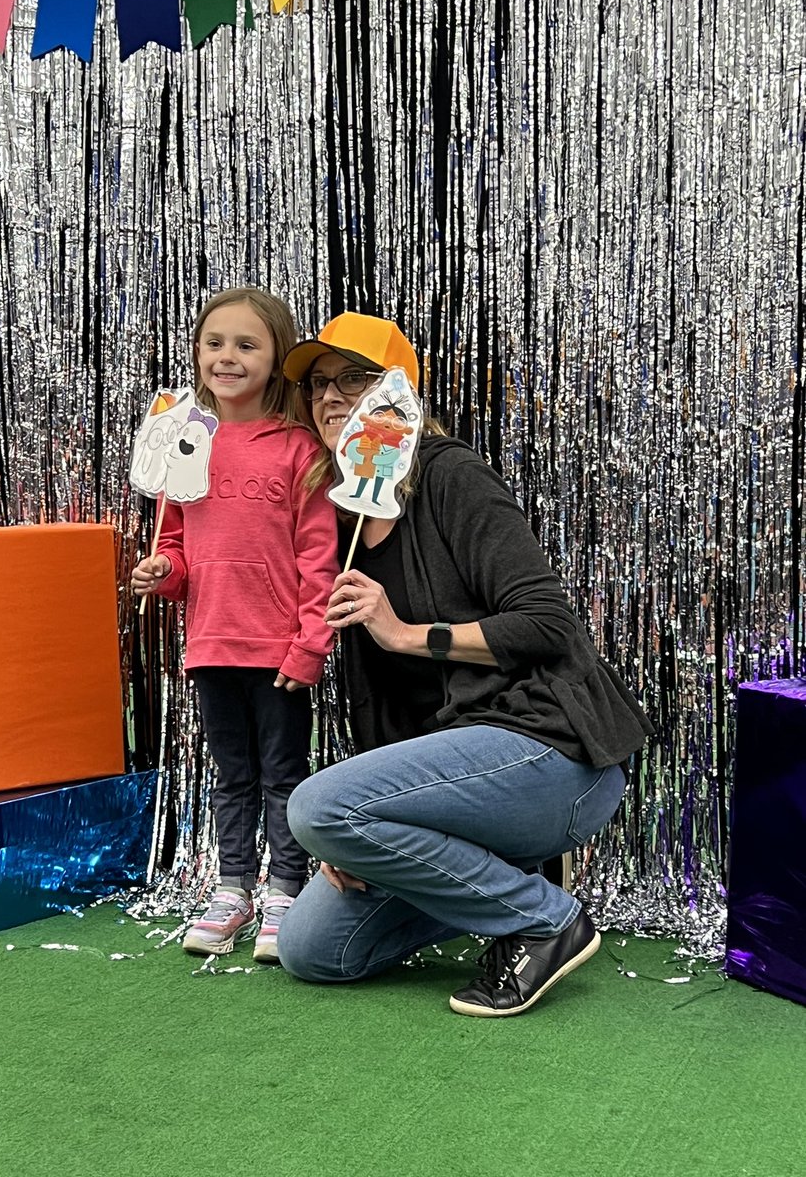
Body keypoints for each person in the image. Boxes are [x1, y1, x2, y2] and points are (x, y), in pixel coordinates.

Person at [276, 312, 654, 1016]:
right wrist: (359, 830)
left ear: (401, 395)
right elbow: (387, 710)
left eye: (353, 378)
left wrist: (410, 634)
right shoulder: (341, 520)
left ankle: (546, 920)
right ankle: (506, 878)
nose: (329, 396)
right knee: (314, 949)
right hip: (466, 786)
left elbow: (547, 624)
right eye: (318, 384)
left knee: (313, 804)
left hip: (555, 755)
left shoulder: (451, 476)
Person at [131, 288, 339, 962]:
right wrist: (164, 572)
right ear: (196, 353)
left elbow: (319, 563)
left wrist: (310, 648)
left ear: (277, 357)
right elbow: (182, 554)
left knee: (283, 774)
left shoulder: (299, 450)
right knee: (232, 775)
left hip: (279, 651)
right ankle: (233, 886)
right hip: (212, 644)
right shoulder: (183, 446)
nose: (227, 356)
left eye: (247, 344)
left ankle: (285, 888)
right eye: (214, 342)